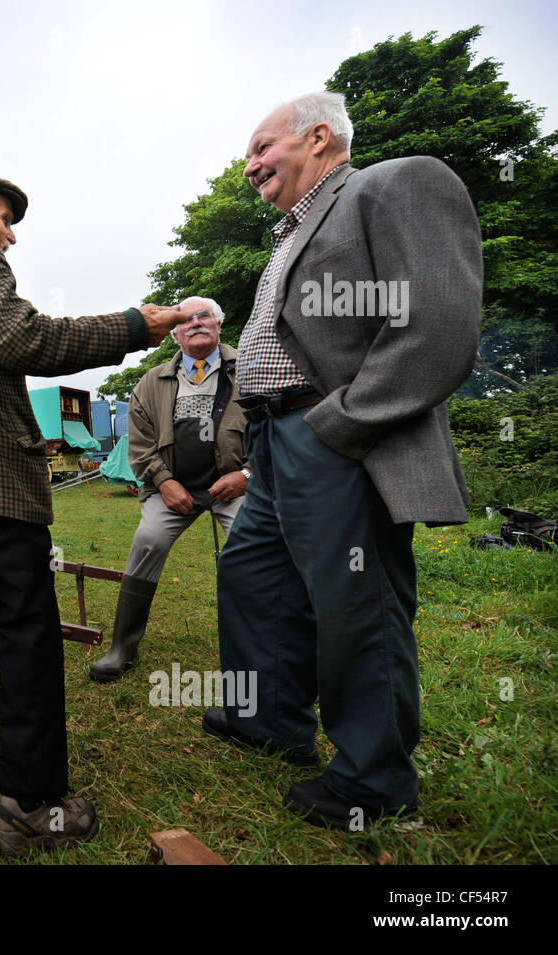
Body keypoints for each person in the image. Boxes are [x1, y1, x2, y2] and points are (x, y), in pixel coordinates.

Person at [0, 173, 188, 857]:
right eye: (6, 218)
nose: (11, 235)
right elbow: (23, 342)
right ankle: (29, 801)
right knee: (27, 629)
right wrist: (137, 324)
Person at [210, 92, 482, 826]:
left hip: (335, 436)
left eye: (261, 148)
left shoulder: (393, 183)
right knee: (252, 573)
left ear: (319, 136)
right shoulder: (288, 233)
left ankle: (373, 779)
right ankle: (269, 719)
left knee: (356, 604)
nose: (249, 166)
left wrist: (341, 422)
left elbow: (439, 323)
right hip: (272, 442)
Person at [89, 295, 248, 682]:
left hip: (235, 485)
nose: (195, 323)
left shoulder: (250, 369)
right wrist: (164, 481)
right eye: (186, 319)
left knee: (254, 547)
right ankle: (122, 646)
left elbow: (275, 432)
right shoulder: (153, 380)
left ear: (219, 325)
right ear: (174, 333)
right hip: (173, 488)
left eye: (204, 316)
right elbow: (139, 441)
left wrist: (246, 476)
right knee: (148, 540)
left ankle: (258, 649)